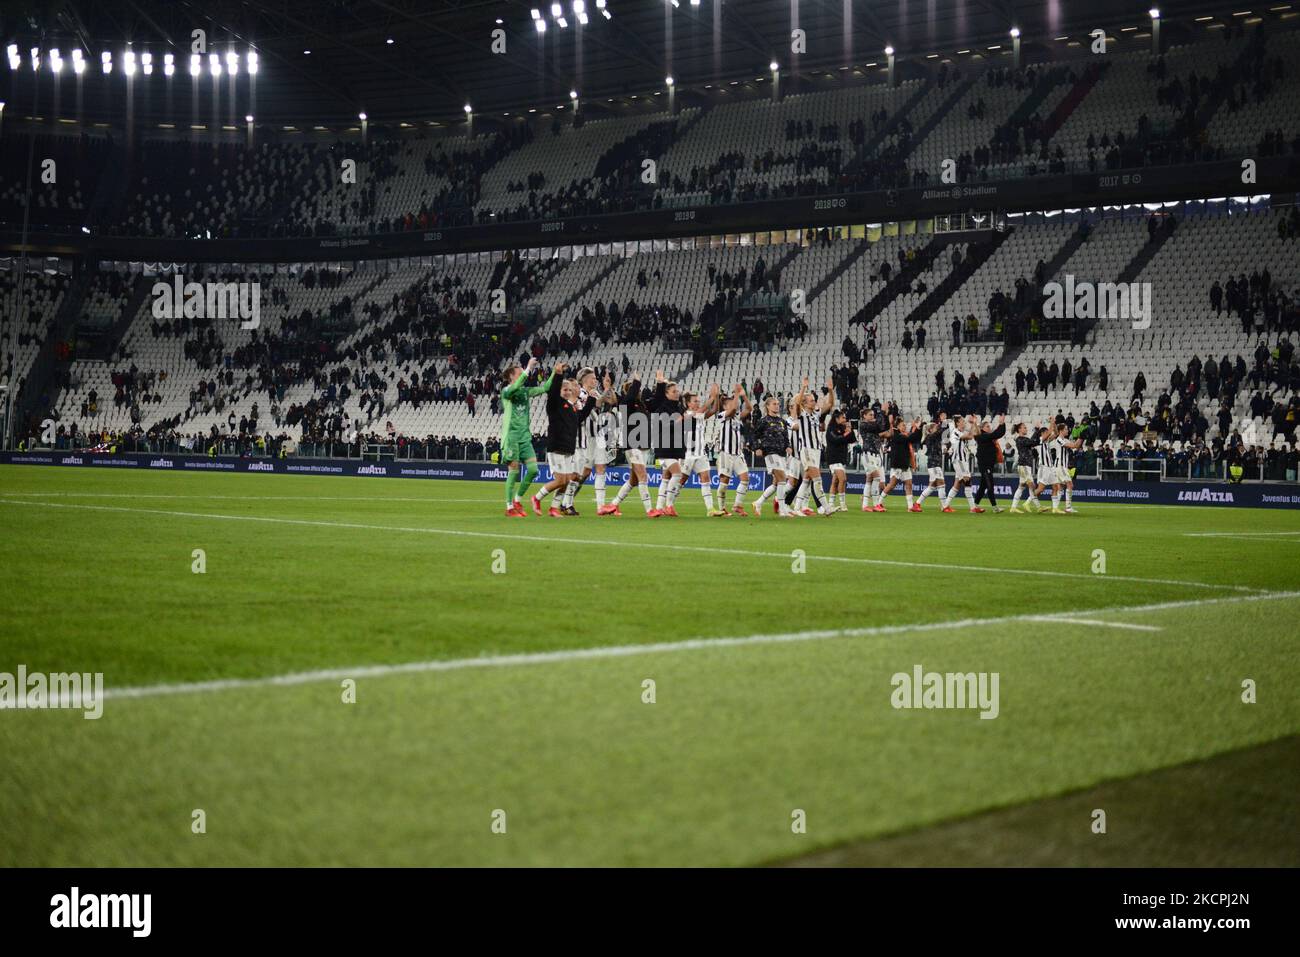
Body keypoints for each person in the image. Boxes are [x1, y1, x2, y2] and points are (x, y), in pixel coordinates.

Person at [531, 366, 597, 517]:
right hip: (557, 447)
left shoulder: (571, 408)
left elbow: (582, 416)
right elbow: (553, 391)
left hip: (568, 448)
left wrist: (592, 399)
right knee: (561, 480)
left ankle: (554, 508)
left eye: (569, 390)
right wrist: (559, 375)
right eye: (564, 389)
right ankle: (537, 498)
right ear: (559, 391)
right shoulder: (554, 404)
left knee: (567, 480)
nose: (567, 392)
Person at [499, 357, 553, 517]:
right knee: (513, 470)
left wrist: (555, 374)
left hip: (524, 437)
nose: (523, 374)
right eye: (520, 372)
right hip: (512, 437)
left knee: (533, 470)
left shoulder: (524, 391)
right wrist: (528, 368)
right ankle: (509, 507)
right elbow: (515, 386)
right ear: (511, 377)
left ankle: (517, 499)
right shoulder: (507, 391)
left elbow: (545, 388)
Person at [750, 395, 797, 518]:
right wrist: (757, 448)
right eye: (774, 404)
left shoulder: (782, 421)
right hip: (770, 453)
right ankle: (782, 510)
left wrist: (788, 446)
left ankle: (758, 502)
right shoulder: (763, 421)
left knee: (777, 483)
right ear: (768, 406)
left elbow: (786, 437)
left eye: (778, 404)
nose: (777, 406)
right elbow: (755, 435)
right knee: (782, 479)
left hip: (781, 454)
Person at [714, 384, 753, 515]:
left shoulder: (737, 417)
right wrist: (736, 394)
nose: (734, 405)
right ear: (725, 406)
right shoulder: (721, 415)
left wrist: (744, 395)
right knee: (724, 482)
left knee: (745, 479)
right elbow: (732, 410)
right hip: (725, 453)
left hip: (737, 453)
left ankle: (737, 506)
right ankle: (721, 508)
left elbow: (749, 408)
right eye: (731, 403)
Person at [878, 413, 924, 510]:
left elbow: (915, 438)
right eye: (903, 425)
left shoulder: (904, 435)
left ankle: (910, 507)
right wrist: (917, 428)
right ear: (898, 426)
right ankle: (879, 503)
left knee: (909, 484)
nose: (905, 426)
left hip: (905, 464)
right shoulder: (896, 434)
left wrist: (919, 428)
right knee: (892, 485)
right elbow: (911, 438)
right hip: (898, 464)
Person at [941, 415, 984, 513]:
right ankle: (973, 508)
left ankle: (945, 506)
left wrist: (974, 424)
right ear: (957, 423)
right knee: (967, 481)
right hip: (959, 460)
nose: (964, 422)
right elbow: (970, 436)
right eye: (962, 421)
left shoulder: (960, 432)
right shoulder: (955, 432)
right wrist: (973, 424)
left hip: (962, 460)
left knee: (957, 484)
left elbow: (975, 434)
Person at [972, 415, 1007, 512]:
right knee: (990, 485)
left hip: (988, 465)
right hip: (985, 466)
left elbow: (996, 434)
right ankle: (995, 508)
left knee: (983, 487)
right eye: (987, 426)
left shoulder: (985, 437)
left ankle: (974, 506)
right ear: (982, 428)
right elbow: (997, 434)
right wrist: (1001, 423)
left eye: (989, 426)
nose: (989, 428)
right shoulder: (983, 436)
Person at [823, 409, 856, 512]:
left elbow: (852, 440)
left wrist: (850, 430)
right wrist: (846, 434)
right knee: (843, 479)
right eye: (843, 417)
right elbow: (836, 440)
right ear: (837, 418)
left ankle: (830, 504)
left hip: (841, 458)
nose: (845, 419)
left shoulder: (843, 428)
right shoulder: (831, 428)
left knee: (835, 481)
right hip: (833, 457)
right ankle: (842, 505)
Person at [859, 408, 888, 511]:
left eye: (873, 415)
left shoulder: (873, 426)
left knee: (869, 480)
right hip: (868, 454)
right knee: (877, 478)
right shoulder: (863, 424)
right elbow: (879, 427)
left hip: (875, 455)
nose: (872, 417)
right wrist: (882, 412)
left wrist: (885, 416)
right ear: (864, 416)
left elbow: (883, 427)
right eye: (870, 415)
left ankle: (865, 505)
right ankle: (876, 504)